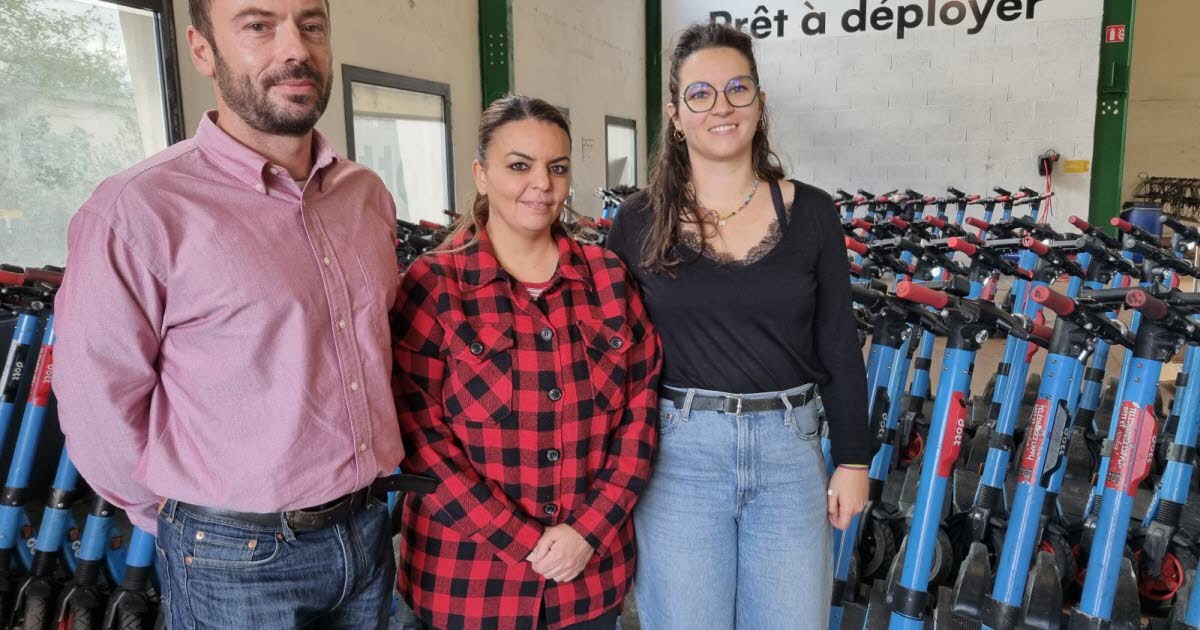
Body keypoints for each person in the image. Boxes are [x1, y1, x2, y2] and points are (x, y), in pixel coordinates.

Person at [53, 0, 405, 626]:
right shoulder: (139, 210)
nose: (294, 48)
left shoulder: (365, 194)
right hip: (233, 557)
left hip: (368, 530)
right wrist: (178, 515)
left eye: (311, 25)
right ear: (201, 49)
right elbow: (96, 404)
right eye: (258, 25)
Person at [604, 23, 871, 629]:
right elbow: (610, 350)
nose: (720, 107)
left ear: (760, 101)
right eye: (700, 94)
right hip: (678, 456)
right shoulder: (639, 220)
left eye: (737, 89)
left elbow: (836, 339)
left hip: (790, 450)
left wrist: (854, 458)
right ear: (675, 112)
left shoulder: (812, 212)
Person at [391, 95, 662, 630]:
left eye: (556, 168)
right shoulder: (435, 285)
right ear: (482, 174)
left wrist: (588, 530)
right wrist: (523, 541)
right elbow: (420, 440)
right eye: (519, 165)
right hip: (467, 584)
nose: (541, 184)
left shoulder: (608, 277)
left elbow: (641, 414)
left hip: (586, 581)